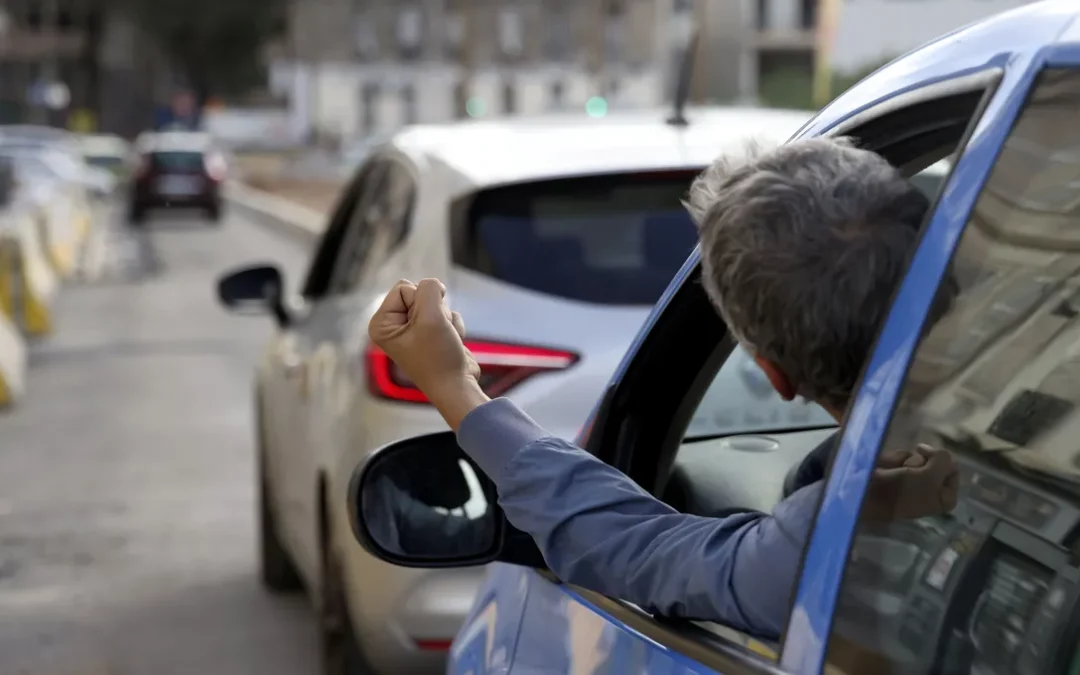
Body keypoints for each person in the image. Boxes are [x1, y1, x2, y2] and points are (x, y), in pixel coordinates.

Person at [366, 136, 960, 640]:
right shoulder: (970, 449)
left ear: (773, 374)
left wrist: (454, 386)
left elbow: (636, 547)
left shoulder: (824, 538)